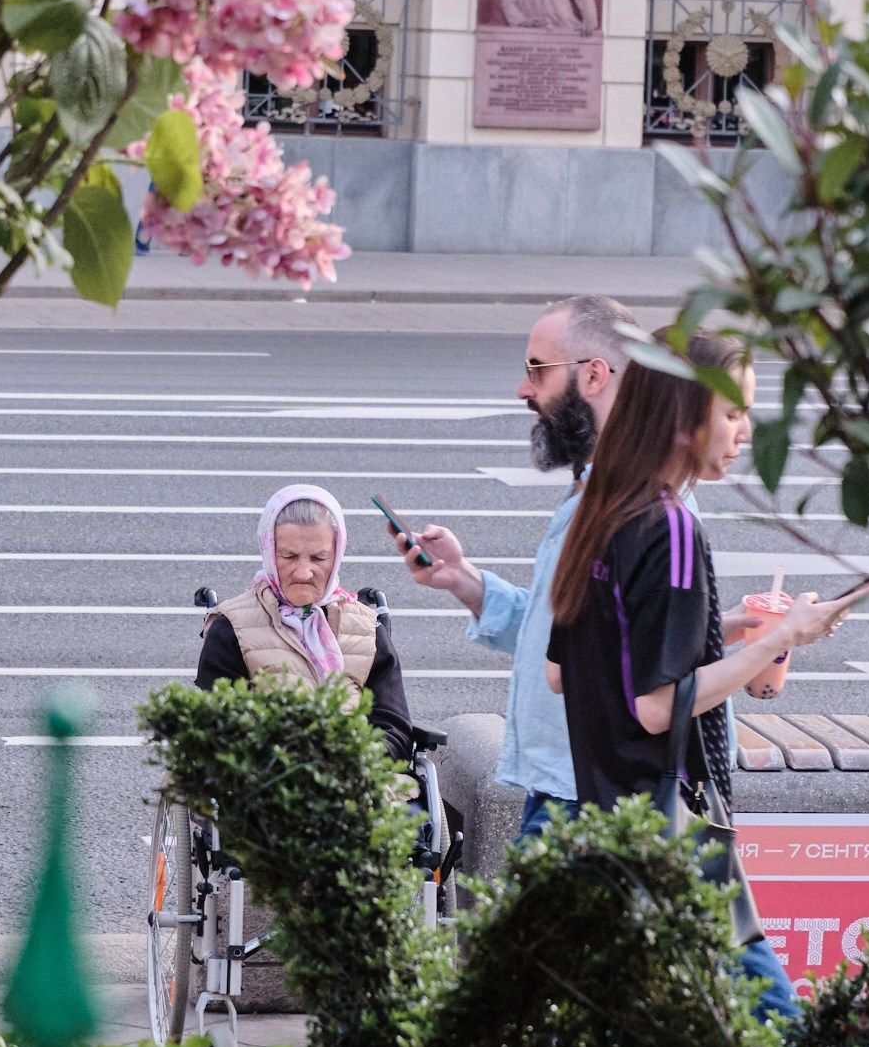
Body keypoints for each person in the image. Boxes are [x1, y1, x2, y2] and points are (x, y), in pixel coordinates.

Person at [543, 333, 858, 1024]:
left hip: (605, 815)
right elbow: (657, 708)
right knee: (773, 1020)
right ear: (685, 419)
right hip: (673, 824)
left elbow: (564, 673)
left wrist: (721, 625)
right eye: (735, 413)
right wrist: (783, 635)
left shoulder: (599, 510)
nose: (746, 431)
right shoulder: (673, 528)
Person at [400, 295, 632, 837]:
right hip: (565, 785)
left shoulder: (629, 504)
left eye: (537, 369)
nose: (524, 389)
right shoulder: (594, 491)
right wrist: (467, 583)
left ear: (594, 375)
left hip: (588, 797)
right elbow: (563, 632)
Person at [195, 485, 416, 762]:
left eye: (318, 558)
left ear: (336, 556)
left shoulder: (367, 630)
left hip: (360, 781)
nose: (303, 571)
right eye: (288, 556)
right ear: (269, 551)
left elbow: (394, 729)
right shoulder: (232, 628)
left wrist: (352, 759)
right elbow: (219, 732)